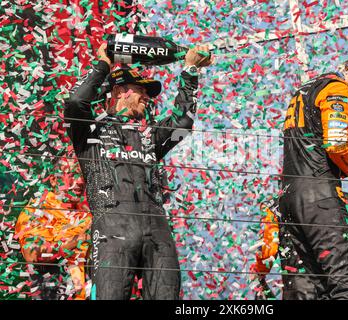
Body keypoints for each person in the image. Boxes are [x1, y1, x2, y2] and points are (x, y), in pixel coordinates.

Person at [64, 42, 213, 300]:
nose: (147, 97)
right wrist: (104, 64)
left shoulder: (149, 134)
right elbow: (76, 100)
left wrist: (190, 71)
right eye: (140, 91)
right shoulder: (89, 129)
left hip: (157, 230)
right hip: (111, 227)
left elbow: (183, 123)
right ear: (119, 91)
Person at [279, 48, 348, 300]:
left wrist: (346, 166)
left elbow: (315, 147)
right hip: (321, 202)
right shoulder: (338, 88)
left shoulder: (306, 90)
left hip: (288, 205)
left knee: (302, 294)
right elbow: (337, 143)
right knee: (346, 287)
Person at [14, 154, 91, 300]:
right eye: (72, 175)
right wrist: (76, 240)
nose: (80, 182)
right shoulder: (37, 211)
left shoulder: (87, 214)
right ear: (54, 180)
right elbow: (32, 255)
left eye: (82, 176)